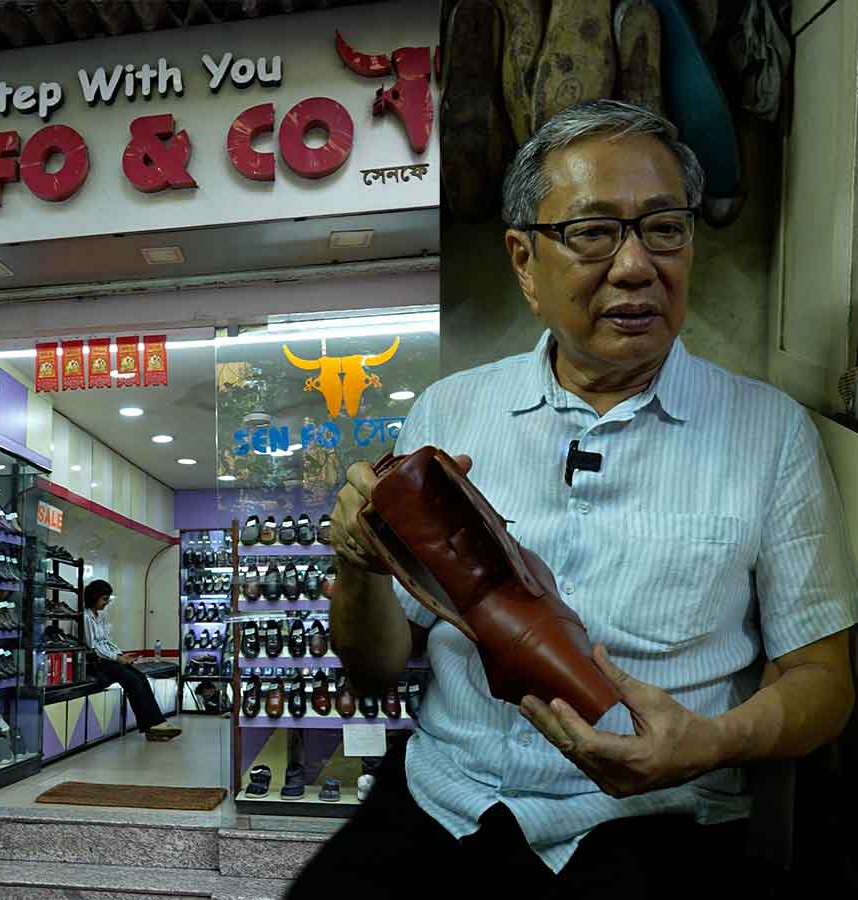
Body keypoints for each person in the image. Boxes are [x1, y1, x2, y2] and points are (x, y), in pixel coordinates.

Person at [285, 100, 858, 897]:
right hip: (447, 802)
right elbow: (377, 670)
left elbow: (824, 680)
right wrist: (358, 564)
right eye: (592, 232)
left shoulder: (772, 433)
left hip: (654, 825)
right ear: (524, 262)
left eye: (665, 227)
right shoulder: (450, 413)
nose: (635, 266)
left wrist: (711, 742)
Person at [83, 579, 181, 742]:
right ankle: (152, 726)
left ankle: (155, 725)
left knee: (141, 678)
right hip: (97, 662)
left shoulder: (100, 616)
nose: (106, 603)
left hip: (110, 659)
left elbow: (107, 641)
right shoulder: (85, 618)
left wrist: (121, 654)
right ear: (95, 597)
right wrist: (117, 658)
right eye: (104, 599)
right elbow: (93, 646)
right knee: (133, 680)